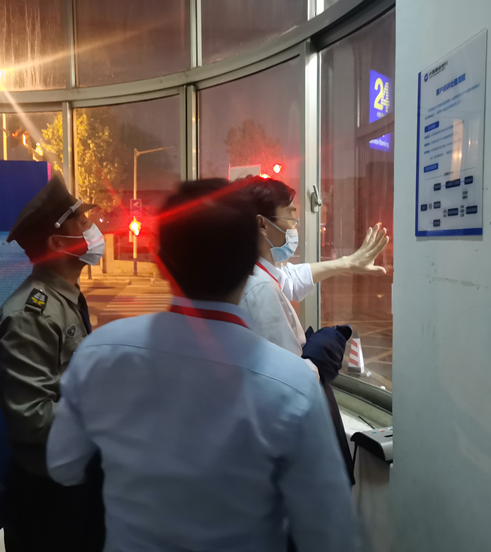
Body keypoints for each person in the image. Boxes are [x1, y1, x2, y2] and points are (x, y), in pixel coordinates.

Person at [46, 179, 358, 552]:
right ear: (251, 260)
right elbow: (330, 534)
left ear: (160, 261)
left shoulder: (100, 354)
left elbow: (63, 465)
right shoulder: (292, 386)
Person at [238, 176, 389, 484]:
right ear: (263, 224)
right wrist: (321, 353)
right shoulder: (259, 289)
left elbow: (291, 278)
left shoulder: (255, 271)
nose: (295, 227)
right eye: (291, 217)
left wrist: (348, 262)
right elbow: (289, 380)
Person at [0, 173, 106, 552]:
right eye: (82, 222)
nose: (93, 229)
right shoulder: (32, 313)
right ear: (58, 243)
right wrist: (107, 412)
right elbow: (31, 418)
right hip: (48, 495)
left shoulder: (65, 299)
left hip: (70, 478)